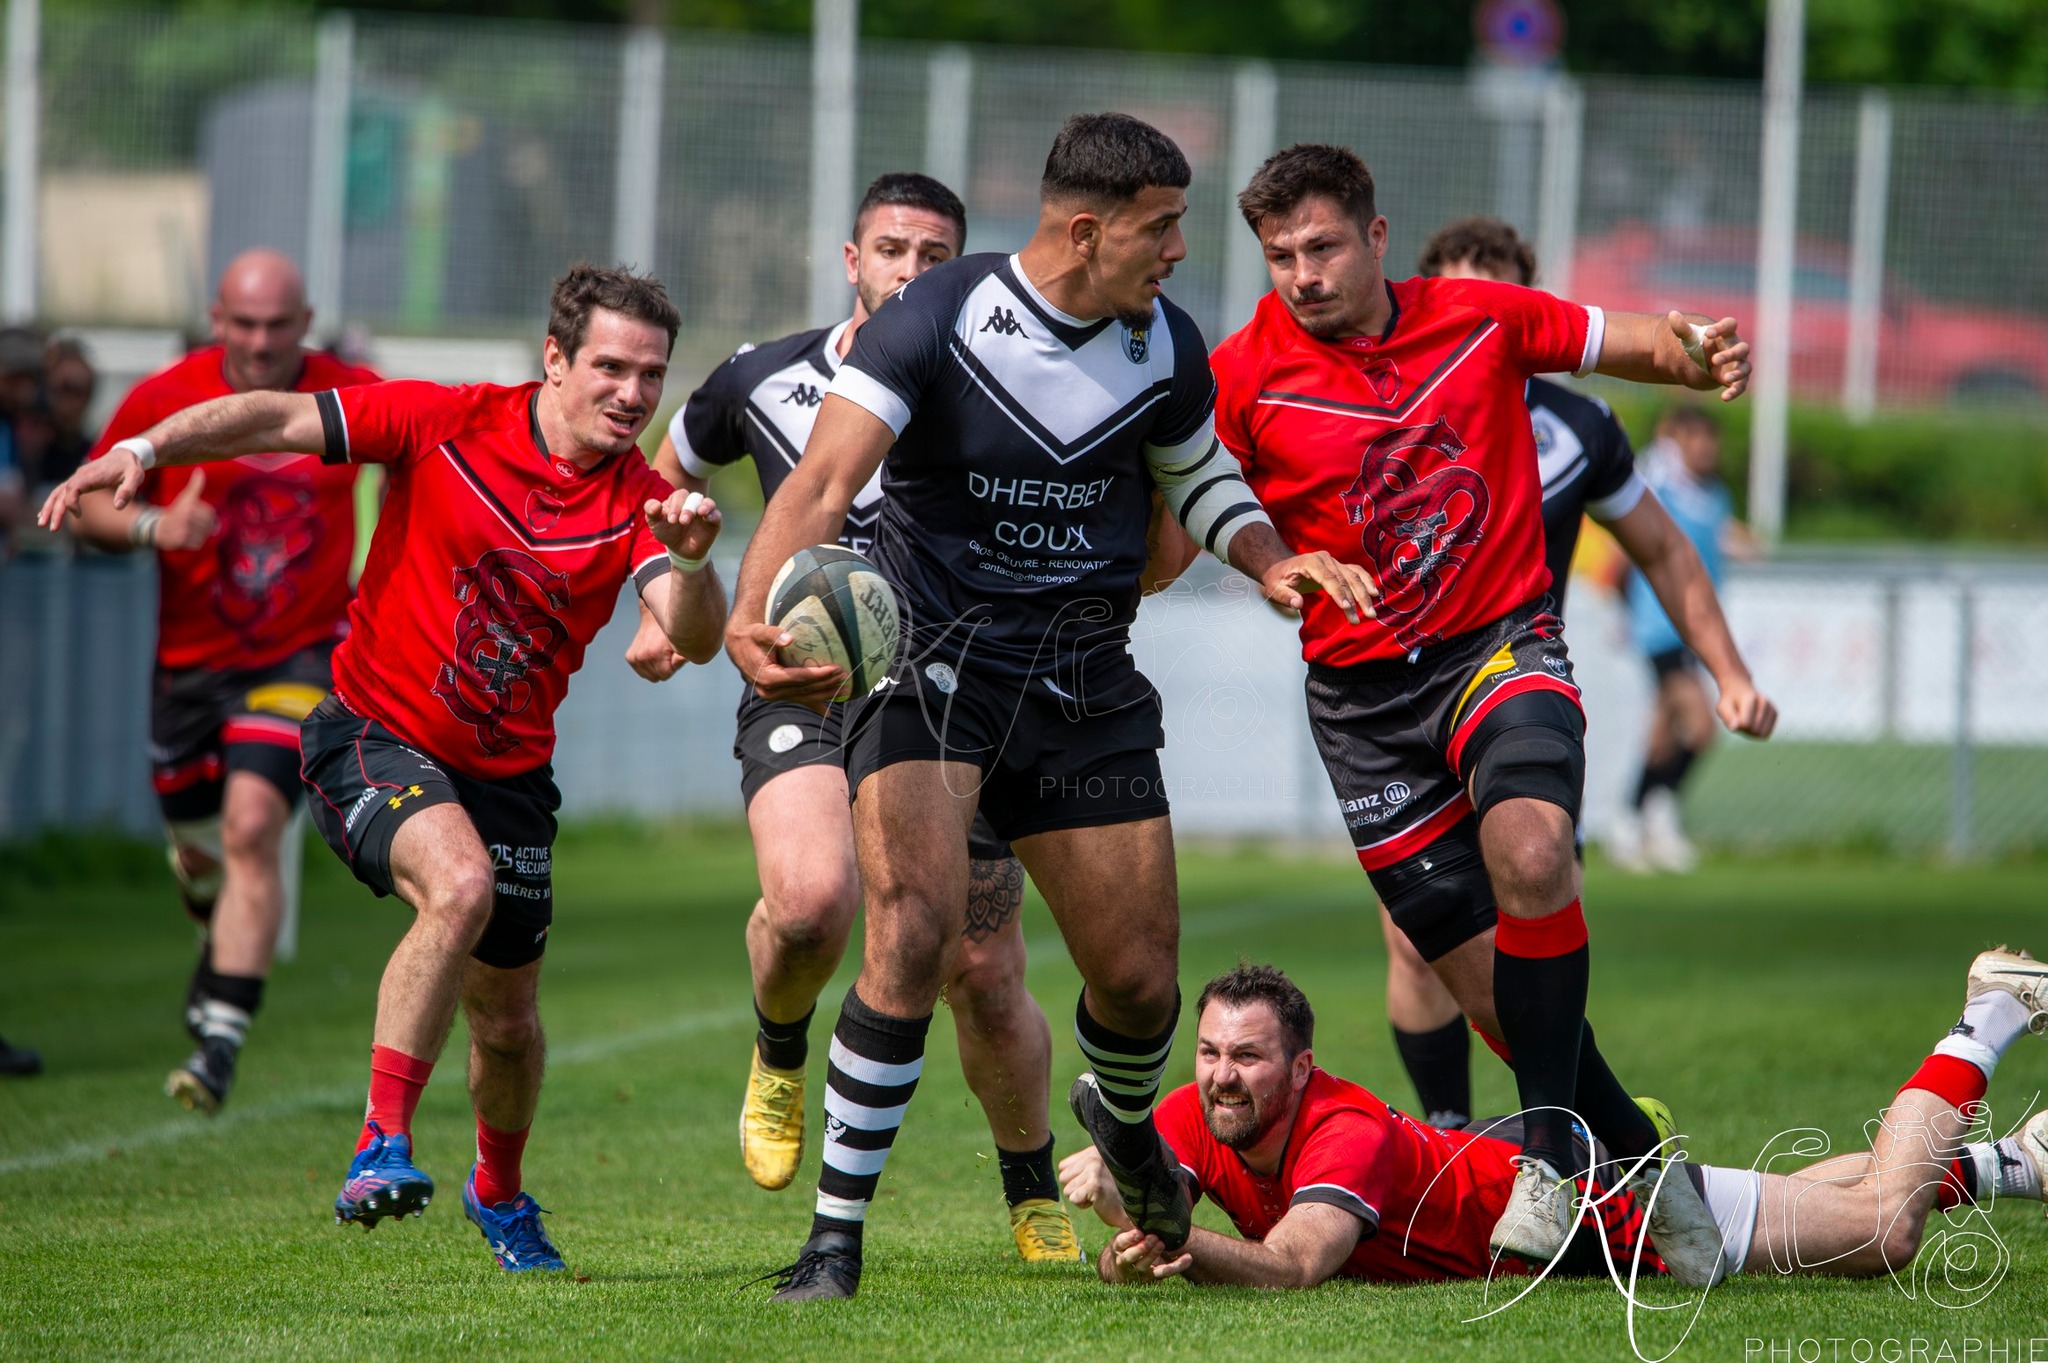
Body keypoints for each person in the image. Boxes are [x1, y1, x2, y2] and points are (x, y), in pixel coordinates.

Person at [725, 112, 1375, 1302]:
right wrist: (745, 614)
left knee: (1136, 981)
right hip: (932, 667)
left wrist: (1273, 560)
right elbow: (821, 479)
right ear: (1087, 229)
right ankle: (832, 1241)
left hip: (1083, 678)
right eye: (1161, 226)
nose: (1179, 249)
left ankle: (1126, 1132)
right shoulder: (939, 318)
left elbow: (1198, 474)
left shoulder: (1163, 342)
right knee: (912, 933)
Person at [40, 264, 728, 1274]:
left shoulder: (646, 502)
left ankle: (497, 1193)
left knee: (508, 1023)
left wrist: (699, 561)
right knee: (458, 885)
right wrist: (140, 447)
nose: (631, 393)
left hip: (510, 777)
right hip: (371, 731)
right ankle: (380, 1142)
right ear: (554, 359)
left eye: (650, 375)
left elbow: (690, 636)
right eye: (610, 368)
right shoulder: (445, 422)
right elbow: (268, 418)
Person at [1205, 143, 1775, 1283]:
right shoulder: (1239, 374)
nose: (1302, 274)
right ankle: (1644, 1168)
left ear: (1373, 237)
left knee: (1532, 844)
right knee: (1506, 1007)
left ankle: (1548, 1156)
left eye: (1321, 247)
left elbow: (1631, 340)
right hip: (1362, 710)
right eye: (1278, 257)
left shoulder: (1479, 317)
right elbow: (1187, 516)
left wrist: (1695, 351)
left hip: (1496, 649)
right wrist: (1275, 564)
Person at [623, 172, 1082, 1263]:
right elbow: (653, 483)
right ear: (850, 259)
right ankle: (780, 1048)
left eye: (935, 257)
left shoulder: (996, 387)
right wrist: (660, 592)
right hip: (802, 680)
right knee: (809, 904)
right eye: (891, 251)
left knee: (980, 964)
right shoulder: (760, 378)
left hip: (947, 697)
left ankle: (1029, 1187)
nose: (910, 273)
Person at [1369, 217, 1772, 1135]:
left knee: (1538, 899)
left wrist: (1729, 671)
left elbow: (1664, 548)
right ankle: (1453, 1135)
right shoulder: (1379, 414)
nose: (1479, 307)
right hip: (1396, 702)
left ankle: (1558, 1133)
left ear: (1527, 303)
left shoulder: (1579, 426)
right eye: (1460, 286)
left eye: (1499, 289)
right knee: (1415, 935)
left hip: (1515, 694)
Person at [1062, 956, 2048, 1290]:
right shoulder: (1198, 1112)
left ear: (1299, 1066)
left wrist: (1174, 1237)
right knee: (1809, 1200)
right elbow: (1163, 1201)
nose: (1222, 1077)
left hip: (1599, 1221)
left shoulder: (1342, 1131)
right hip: (1544, 1176)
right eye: (1209, 1054)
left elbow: (1288, 1266)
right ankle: (2007, 1162)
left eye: (1247, 1057)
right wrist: (1129, 1225)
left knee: (1882, 1229)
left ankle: (1987, 1014)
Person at [69, 251, 380, 1114]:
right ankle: (214, 936)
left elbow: (426, 457)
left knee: (253, 826)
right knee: (202, 852)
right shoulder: (167, 396)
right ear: (216, 318)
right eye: (243, 324)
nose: (260, 341)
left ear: (305, 320)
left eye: (278, 325)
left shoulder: (350, 391)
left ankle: (219, 1044)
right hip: (189, 669)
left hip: (300, 658)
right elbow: (92, 499)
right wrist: (156, 524)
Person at [1607, 406, 1758, 874]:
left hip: (1693, 629)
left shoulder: (1714, 496)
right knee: (1700, 725)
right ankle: (1659, 811)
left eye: (1710, 440)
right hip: (1659, 627)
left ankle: (1632, 822)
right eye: (1694, 438)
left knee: (1662, 734)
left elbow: (1719, 537)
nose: (1705, 448)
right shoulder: (1660, 481)